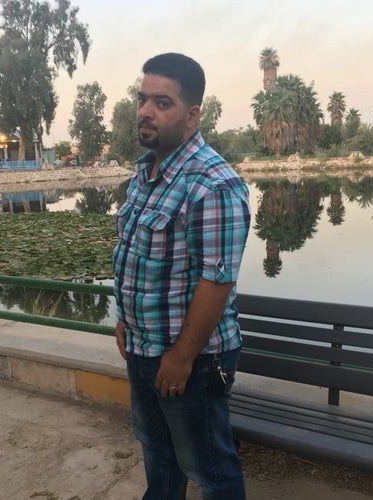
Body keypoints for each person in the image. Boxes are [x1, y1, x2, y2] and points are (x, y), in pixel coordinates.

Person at [113, 53, 251, 500]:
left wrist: (181, 357)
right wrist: (125, 320)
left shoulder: (213, 184)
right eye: (142, 99)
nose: (145, 111)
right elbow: (137, 258)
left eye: (162, 103)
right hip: (143, 348)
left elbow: (216, 282)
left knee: (209, 468)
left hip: (191, 360)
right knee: (157, 454)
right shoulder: (145, 172)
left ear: (192, 115)